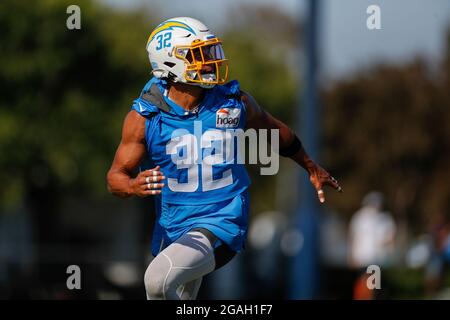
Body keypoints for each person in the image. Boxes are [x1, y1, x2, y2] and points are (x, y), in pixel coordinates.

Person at [106, 17, 342, 300]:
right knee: (177, 295)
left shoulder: (233, 102)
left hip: (222, 220)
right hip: (174, 227)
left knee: (157, 280)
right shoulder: (144, 117)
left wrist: (310, 166)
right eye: (198, 55)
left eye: (209, 53)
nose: (209, 62)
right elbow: (115, 178)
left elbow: (276, 131)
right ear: (169, 61)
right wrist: (132, 186)